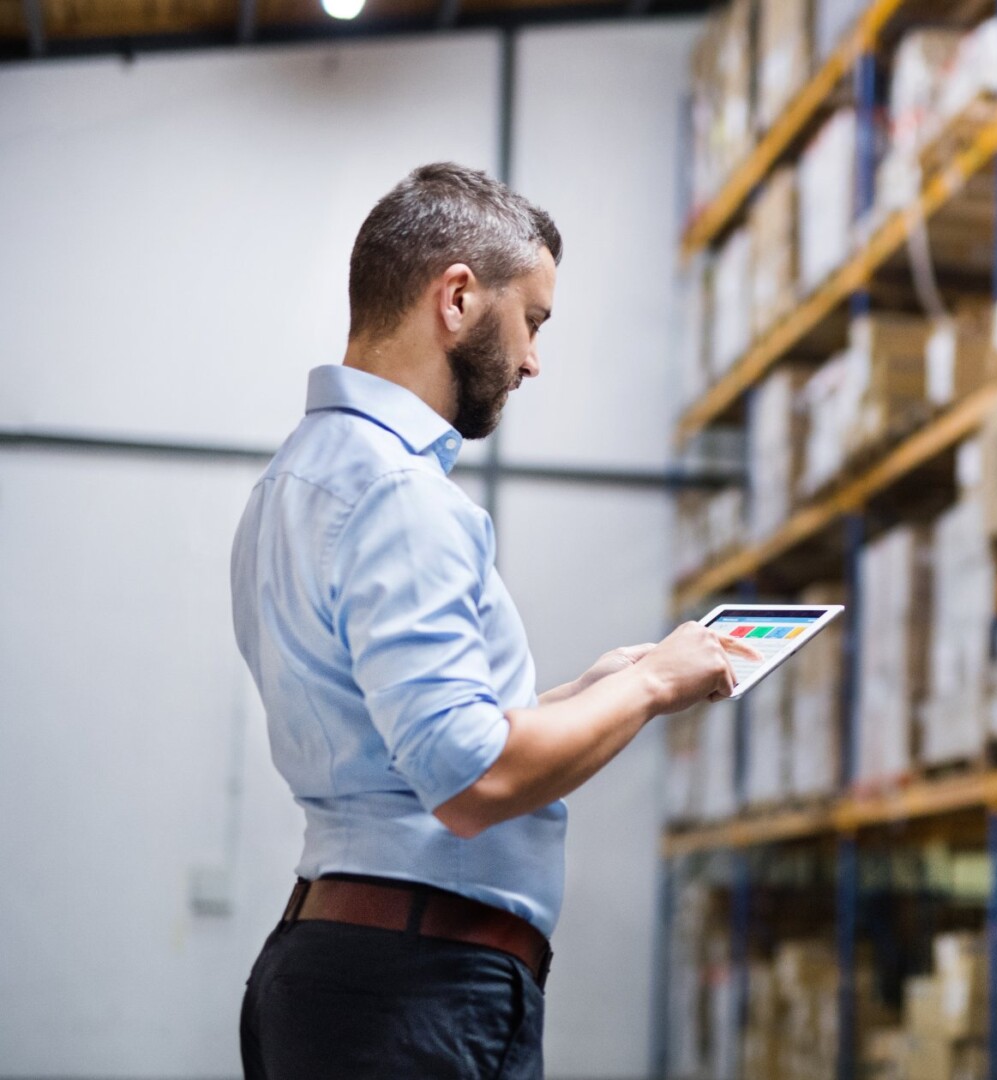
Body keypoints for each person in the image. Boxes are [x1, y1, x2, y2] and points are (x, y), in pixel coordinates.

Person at [230, 162, 752, 1079]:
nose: (533, 361)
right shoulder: (400, 494)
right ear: (460, 299)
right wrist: (647, 684)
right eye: (534, 320)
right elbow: (467, 780)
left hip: (352, 973)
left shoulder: (299, 478)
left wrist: (581, 695)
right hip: (413, 992)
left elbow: (399, 740)